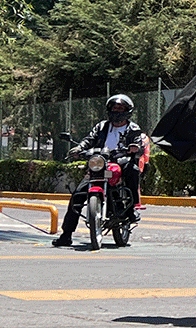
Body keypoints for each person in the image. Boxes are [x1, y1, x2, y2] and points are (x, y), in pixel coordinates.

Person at [51, 94, 147, 247]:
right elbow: (89, 139)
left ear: (127, 111)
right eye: (114, 108)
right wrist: (79, 148)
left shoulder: (133, 128)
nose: (117, 111)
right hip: (100, 162)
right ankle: (66, 235)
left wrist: (134, 149)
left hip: (121, 161)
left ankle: (133, 207)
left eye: (120, 108)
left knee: (132, 169)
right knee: (77, 196)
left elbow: (138, 143)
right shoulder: (102, 126)